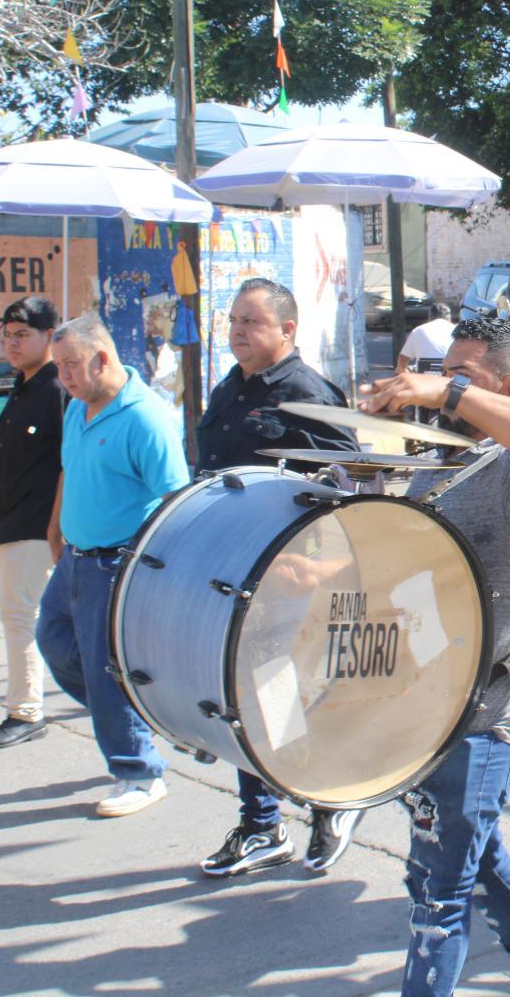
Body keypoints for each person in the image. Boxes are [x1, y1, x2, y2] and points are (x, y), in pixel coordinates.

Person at [360, 316, 510, 997]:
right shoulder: (443, 457)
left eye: (462, 376)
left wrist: (445, 392)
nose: (442, 387)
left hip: (485, 716)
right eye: (444, 375)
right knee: (477, 858)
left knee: (438, 893)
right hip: (424, 706)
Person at [196, 278, 370, 878]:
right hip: (235, 570)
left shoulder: (307, 392)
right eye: (234, 320)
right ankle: (265, 824)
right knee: (251, 697)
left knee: (283, 697)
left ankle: (329, 800)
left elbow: (353, 485)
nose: (237, 331)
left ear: (287, 330)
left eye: (252, 322)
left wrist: (320, 564)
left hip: (290, 576)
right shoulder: (231, 387)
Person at [37, 315, 190, 817]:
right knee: (54, 641)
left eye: (70, 365)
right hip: (76, 557)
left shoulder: (146, 417)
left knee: (107, 672)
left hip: (117, 564)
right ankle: (136, 715)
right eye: (59, 366)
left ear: (102, 359)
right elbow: (70, 468)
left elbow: (175, 500)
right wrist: (55, 527)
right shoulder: (78, 407)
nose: (63, 376)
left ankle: (140, 774)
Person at [0, 297, 64, 751]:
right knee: (32, 617)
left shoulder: (57, 390)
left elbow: (69, 464)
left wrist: (56, 528)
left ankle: (25, 711)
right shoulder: (23, 386)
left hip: (37, 525)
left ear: (49, 336)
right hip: (13, 522)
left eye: (22, 335)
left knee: (20, 617)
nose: (12, 343)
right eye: (8, 335)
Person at [396, 302, 455, 372]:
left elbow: (402, 361)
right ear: (449, 317)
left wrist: (405, 373)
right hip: (450, 376)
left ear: (429, 317)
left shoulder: (418, 330)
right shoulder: (458, 331)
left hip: (424, 376)